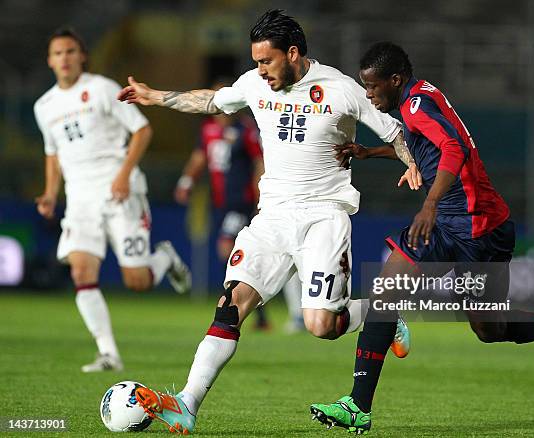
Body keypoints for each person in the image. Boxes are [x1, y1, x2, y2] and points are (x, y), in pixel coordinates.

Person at [117, 11, 417, 434]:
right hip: (272, 217)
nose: (260, 70)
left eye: (266, 61)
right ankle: (187, 402)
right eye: (256, 61)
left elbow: (395, 132)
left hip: (323, 217)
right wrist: (154, 96)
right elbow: (209, 100)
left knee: (321, 326)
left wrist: (414, 166)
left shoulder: (341, 89)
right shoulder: (254, 83)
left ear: (292, 53)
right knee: (230, 304)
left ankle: (380, 316)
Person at [309, 42, 534, 434]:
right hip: (446, 223)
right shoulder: (417, 98)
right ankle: (358, 405)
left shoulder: (414, 105)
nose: (370, 95)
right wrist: (369, 152)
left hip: (480, 229)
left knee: (489, 329)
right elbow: (425, 148)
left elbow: (453, 147)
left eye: (373, 87)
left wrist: (428, 204)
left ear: (395, 80)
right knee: (387, 290)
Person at [34, 28, 192, 373]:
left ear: (82, 56)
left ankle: (164, 257)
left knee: (137, 281)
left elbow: (142, 130)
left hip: (120, 192)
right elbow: (52, 154)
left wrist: (122, 174)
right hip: (80, 201)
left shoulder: (102, 89)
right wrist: (50, 193)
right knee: (80, 271)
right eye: (58, 53)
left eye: (70, 51)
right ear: (50, 60)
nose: (64, 58)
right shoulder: (43, 106)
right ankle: (108, 354)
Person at [174, 83, 296, 331]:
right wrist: (186, 181)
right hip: (218, 202)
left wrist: (262, 197)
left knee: (226, 248)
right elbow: (200, 157)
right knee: (231, 254)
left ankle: (233, 308)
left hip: (240, 202)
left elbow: (259, 162)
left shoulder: (247, 130)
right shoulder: (208, 130)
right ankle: (255, 313)